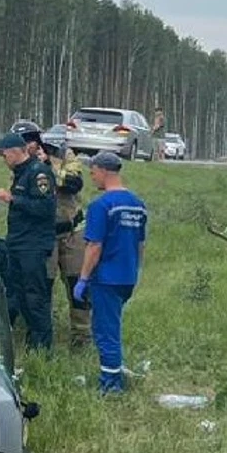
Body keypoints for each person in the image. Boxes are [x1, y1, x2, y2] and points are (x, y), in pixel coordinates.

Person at [75, 151, 145, 393]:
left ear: (104, 171)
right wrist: (137, 271)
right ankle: (114, 371)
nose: (92, 177)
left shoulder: (101, 205)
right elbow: (140, 244)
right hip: (128, 276)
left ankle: (111, 385)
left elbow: (94, 246)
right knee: (109, 324)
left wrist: (83, 278)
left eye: (92, 172)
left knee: (106, 331)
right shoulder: (137, 205)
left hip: (106, 277)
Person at [0, 131, 56, 351]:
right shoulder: (20, 174)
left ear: (16, 151)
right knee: (19, 294)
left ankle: (42, 345)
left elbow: (45, 208)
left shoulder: (38, 173)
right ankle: (32, 340)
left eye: (4, 155)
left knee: (35, 296)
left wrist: (12, 199)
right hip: (18, 243)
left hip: (33, 245)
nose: (3, 160)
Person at [44, 135, 93, 348]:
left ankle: (81, 335)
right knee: (43, 284)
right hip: (45, 233)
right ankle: (43, 333)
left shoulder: (68, 156)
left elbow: (73, 183)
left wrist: (50, 167)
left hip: (72, 231)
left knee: (77, 284)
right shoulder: (28, 158)